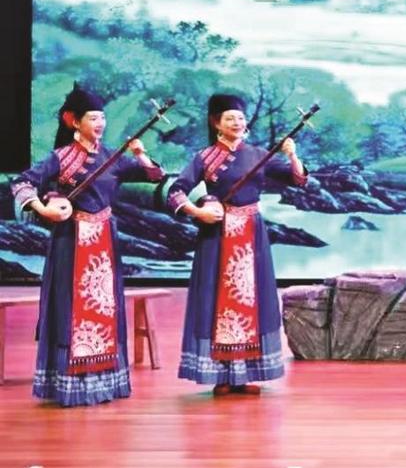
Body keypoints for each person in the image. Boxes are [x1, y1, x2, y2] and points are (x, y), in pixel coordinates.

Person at [11, 83, 164, 406]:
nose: (100, 123)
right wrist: (44, 208)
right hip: (72, 240)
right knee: (71, 306)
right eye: (93, 117)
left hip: (104, 241)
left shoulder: (112, 156)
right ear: (74, 121)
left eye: (102, 117)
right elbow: (22, 182)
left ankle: (104, 381)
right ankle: (71, 384)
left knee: (104, 305)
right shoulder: (60, 157)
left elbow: (154, 175)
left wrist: (139, 153)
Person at [167, 93, 307, 396]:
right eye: (230, 118)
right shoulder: (204, 157)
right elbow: (176, 190)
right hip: (217, 235)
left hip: (251, 235)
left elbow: (296, 180)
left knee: (251, 298)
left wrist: (292, 155)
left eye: (241, 118)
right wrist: (198, 211)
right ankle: (221, 374)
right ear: (216, 123)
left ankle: (247, 373)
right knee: (216, 299)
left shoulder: (258, 154)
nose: (237, 123)